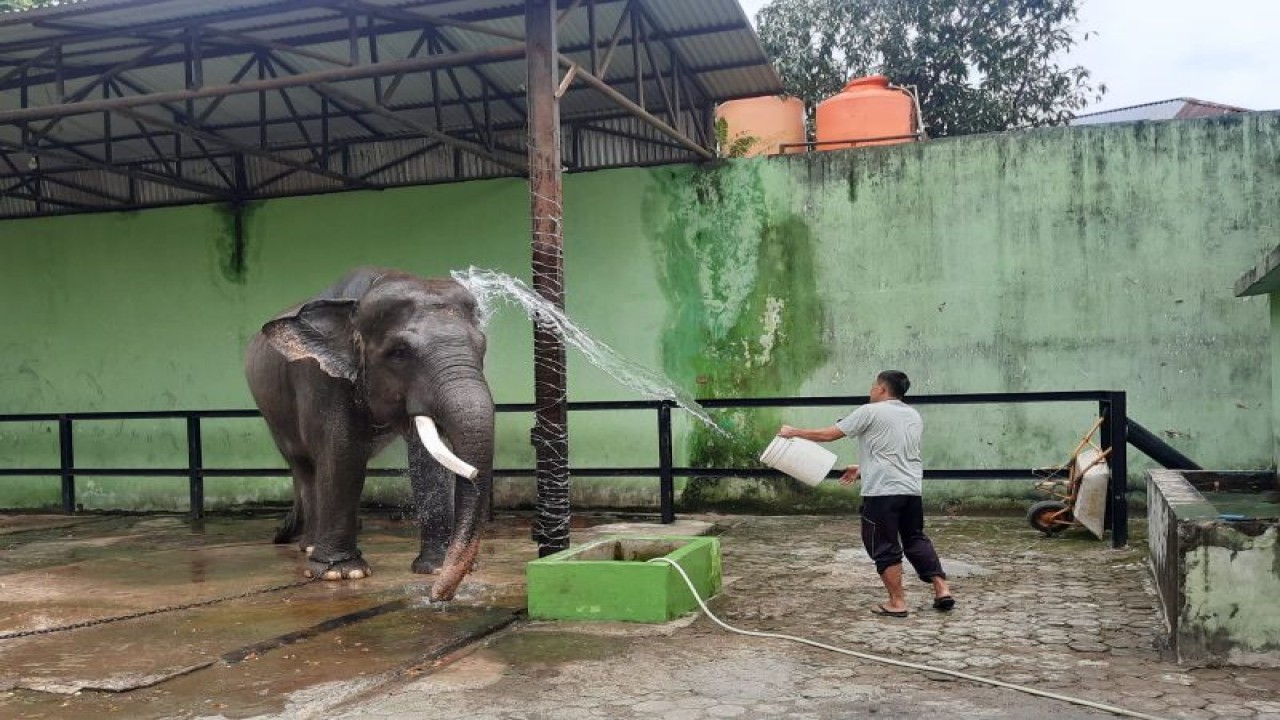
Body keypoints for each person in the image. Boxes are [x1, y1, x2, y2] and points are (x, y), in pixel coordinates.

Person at [778, 370, 954, 617]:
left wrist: (793, 432)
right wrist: (862, 468)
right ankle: (942, 589)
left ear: (882, 389)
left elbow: (829, 435)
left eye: (874, 386)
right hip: (911, 490)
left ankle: (897, 602)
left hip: (882, 493)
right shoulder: (913, 415)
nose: (871, 390)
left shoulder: (870, 411)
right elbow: (895, 452)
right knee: (915, 538)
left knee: (884, 545)